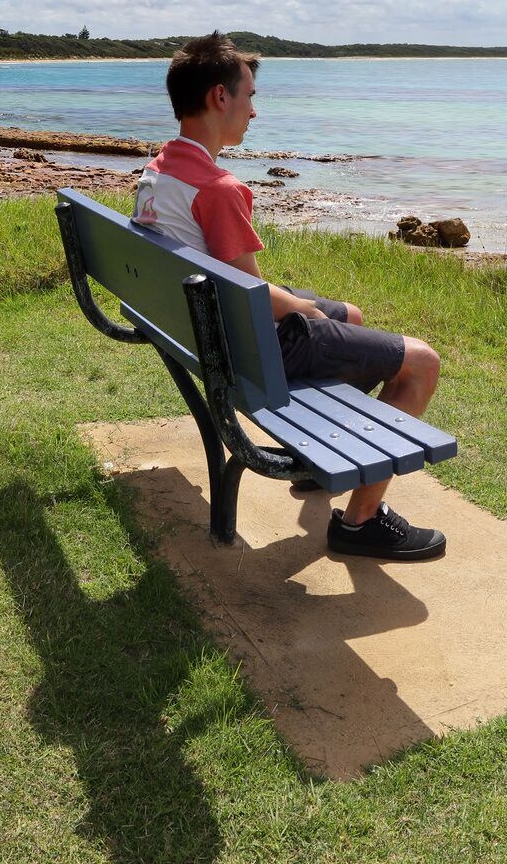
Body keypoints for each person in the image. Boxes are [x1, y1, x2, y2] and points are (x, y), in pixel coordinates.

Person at [135, 33, 449, 561]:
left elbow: (227, 278)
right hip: (245, 345)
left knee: (350, 314)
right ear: (219, 97)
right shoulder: (218, 188)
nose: (253, 112)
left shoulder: (159, 169)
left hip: (197, 328)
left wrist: (306, 309)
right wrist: (300, 309)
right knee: (421, 363)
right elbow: (250, 290)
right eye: (249, 97)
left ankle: (324, 459)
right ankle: (360, 522)